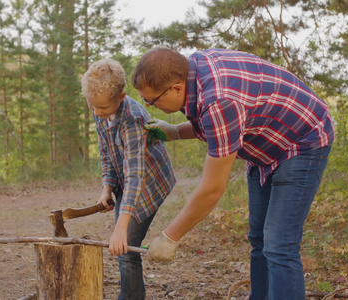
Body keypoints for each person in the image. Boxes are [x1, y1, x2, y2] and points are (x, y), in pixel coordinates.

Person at [131, 47, 335, 300]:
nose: (150, 105)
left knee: (279, 245)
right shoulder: (192, 70)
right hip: (264, 145)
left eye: (152, 100)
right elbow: (219, 123)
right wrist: (175, 131)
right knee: (259, 237)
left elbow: (212, 189)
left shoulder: (220, 100)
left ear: (176, 88)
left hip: (303, 141)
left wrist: (170, 237)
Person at [81, 57, 176, 300]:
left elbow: (136, 176)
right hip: (127, 179)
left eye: (102, 108)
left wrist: (121, 228)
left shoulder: (133, 120)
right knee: (124, 248)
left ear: (121, 98)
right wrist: (107, 188)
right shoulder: (99, 108)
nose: (97, 113)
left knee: (125, 246)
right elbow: (106, 152)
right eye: (93, 107)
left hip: (149, 182)